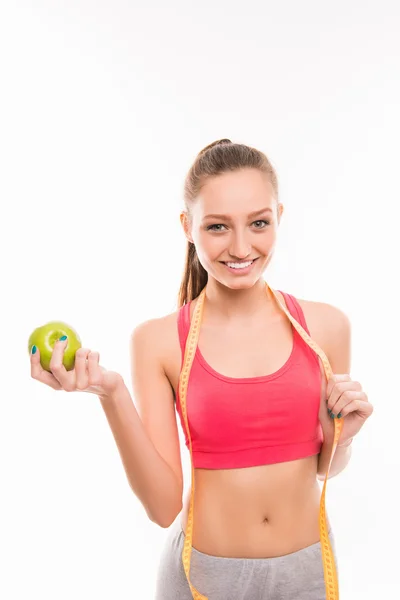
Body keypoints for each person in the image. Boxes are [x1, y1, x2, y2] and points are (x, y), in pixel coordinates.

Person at [30, 139, 373, 599]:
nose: (240, 246)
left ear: (279, 217)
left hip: (306, 574)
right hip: (203, 578)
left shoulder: (328, 326)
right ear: (187, 227)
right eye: (217, 227)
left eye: (258, 223)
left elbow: (326, 469)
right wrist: (111, 393)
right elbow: (162, 506)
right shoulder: (157, 340)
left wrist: (342, 437)